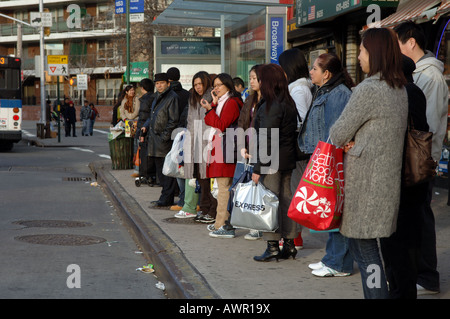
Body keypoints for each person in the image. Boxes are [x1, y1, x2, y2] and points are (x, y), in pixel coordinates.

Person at [329, 27, 408, 299]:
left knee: (367, 255)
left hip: (365, 185)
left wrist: (350, 141)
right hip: (384, 182)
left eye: (362, 51)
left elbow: (337, 133)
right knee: (371, 252)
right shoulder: (398, 88)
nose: (359, 57)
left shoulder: (369, 89)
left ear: (373, 53)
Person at [394, 21, 449, 295]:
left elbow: (427, 125)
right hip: (413, 158)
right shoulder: (421, 74)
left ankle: (427, 276)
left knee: (422, 218)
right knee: (417, 217)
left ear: (411, 43)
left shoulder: (431, 77)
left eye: (398, 43)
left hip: (421, 159)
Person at [298, 53, 355, 277]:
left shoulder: (339, 94)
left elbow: (336, 131)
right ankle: (332, 258)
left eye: (314, 68)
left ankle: (339, 263)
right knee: (330, 210)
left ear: (327, 73)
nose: (311, 72)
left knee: (336, 211)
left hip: (331, 158)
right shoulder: (325, 90)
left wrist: (327, 161)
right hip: (323, 156)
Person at [379, 55, 429, 299]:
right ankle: (399, 287)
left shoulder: (408, 93)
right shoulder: (411, 91)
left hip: (406, 175)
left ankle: (402, 291)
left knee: (401, 240)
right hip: (407, 175)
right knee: (400, 239)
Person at [251, 63, 298, 262]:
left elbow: (267, 138)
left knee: (269, 200)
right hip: (286, 158)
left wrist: (258, 168)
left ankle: (272, 245)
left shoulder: (272, 104)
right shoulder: (286, 101)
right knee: (286, 199)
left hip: (272, 160)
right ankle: (289, 243)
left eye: (260, 78)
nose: (258, 82)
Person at [278, 48, 313, 250]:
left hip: (298, 150)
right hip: (297, 149)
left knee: (294, 191)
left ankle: (295, 236)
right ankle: (294, 235)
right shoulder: (298, 88)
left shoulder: (298, 90)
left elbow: (299, 121)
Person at [200, 73, 243, 238]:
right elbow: (214, 122)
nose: (216, 88)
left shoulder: (231, 103)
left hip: (225, 149)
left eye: (219, 85)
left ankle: (223, 224)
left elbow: (220, 125)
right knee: (223, 187)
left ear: (228, 86)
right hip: (222, 148)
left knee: (223, 188)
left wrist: (211, 109)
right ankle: (221, 222)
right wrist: (213, 106)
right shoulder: (223, 102)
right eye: (214, 86)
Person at [174, 71, 217, 223]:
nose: (198, 87)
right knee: (200, 178)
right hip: (195, 144)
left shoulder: (211, 97)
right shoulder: (193, 99)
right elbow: (190, 123)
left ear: (206, 83)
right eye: (195, 85)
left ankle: (212, 211)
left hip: (209, 144)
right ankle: (204, 208)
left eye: (200, 84)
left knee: (210, 179)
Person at [141, 73, 180, 207]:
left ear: (168, 84)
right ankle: (164, 196)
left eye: (162, 83)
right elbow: (153, 116)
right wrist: (146, 127)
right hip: (155, 140)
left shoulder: (171, 97)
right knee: (161, 171)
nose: (159, 85)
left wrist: (164, 137)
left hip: (163, 141)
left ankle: (166, 198)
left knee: (167, 171)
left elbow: (173, 120)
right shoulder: (157, 96)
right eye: (157, 83)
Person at [237, 64, 264, 241]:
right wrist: (242, 145)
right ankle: (253, 223)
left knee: (262, 187)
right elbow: (242, 123)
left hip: (263, 148)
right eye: (251, 78)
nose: (251, 81)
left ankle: (260, 224)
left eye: (255, 78)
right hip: (249, 146)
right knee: (251, 186)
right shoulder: (250, 98)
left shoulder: (270, 99)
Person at [167, 67, 191, 211]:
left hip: (177, 135)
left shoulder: (170, 95)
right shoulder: (187, 94)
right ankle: (183, 198)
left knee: (178, 168)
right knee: (182, 168)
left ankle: (182, 200)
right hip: (184, 133)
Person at [136, 78, 156, 184]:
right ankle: (149, 175)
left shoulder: (145, 100)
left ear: (143, 88)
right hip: (151, 130)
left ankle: (145, 174)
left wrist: (141, 130)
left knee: (144, 153)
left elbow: (144, 116)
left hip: (144, 130)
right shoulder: (154, 97)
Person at [119, 85, 140, 177]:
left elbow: (137, 111)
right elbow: (122, 112)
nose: (132, 92)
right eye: (130, 90)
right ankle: (130, 161)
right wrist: (125, 119)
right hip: (128, 123)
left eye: (132, 90)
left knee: (136, 142)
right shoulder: (124, 100)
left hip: (136, 121)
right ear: (126, 92)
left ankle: (136, 162)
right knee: (130, 142)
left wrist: (131, 117)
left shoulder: (137, 99)